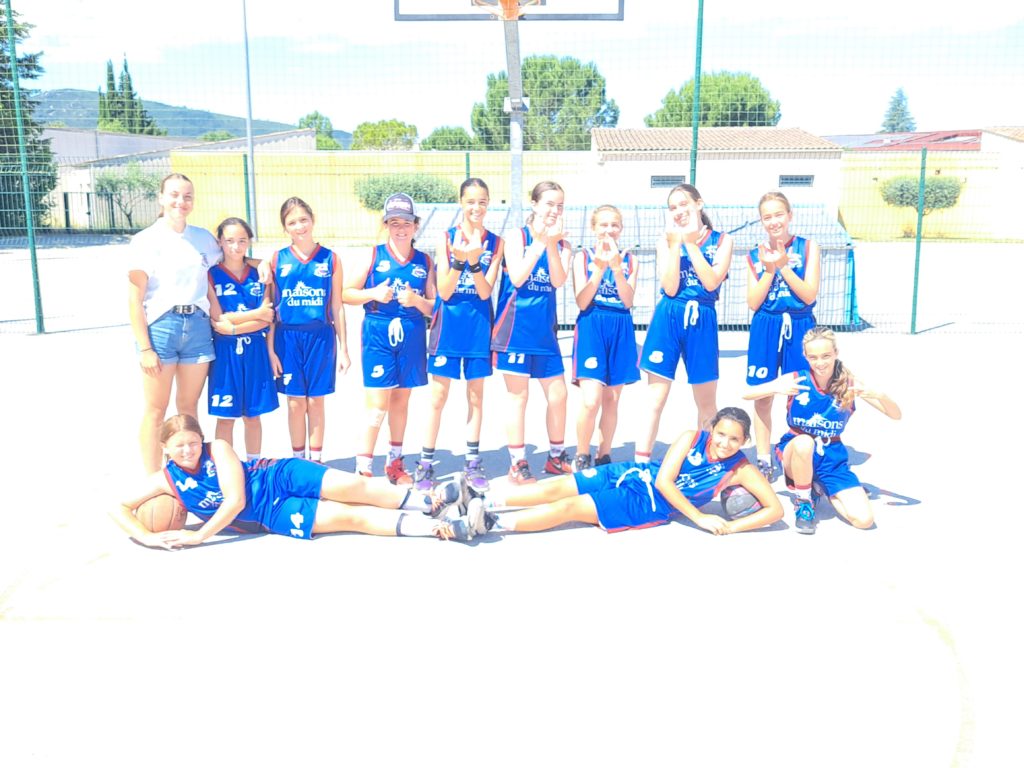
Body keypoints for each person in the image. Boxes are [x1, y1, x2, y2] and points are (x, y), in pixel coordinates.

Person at [112, 415, 466, 549]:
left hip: (276, 475)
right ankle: (437, 527)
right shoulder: (166, 480)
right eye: (179, 446)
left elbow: (235, 501)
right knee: (349, 516)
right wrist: (147, 536)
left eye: (192, 442)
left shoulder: (216, 448)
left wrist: (198, 536)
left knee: (353, 487)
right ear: (165, 448)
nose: (188, 450)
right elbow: (118, 508)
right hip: (271, 513)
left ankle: (432, 501)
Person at [466, 407, 782, 537]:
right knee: (557, 486)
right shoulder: (692, 437)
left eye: (734, 439)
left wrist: (731, 527)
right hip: (635, 473)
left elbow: (775, 510)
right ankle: (483, 499)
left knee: (568, 508)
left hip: (647, 504)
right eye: (721, 434)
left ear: (745, 441)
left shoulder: (741, 469)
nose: (725, 443)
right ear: (712, 429)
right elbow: (664, 479)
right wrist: (698, 516)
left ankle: (490, 523)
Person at [743, 326, 901, 534]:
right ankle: (804, 501)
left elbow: (895, 415)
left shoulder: (850, 384)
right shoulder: (797, 379)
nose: (820, 363)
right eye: (813, 357)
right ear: (805, 356)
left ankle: (819, 487)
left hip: (831, 455)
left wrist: (879, 394)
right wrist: (775, 387)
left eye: (826, 356)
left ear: (836, 353)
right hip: (796, 450)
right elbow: (747, 394)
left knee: (864, 520)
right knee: (805, 442)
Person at [128, 173, 222, 473]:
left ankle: (188, 475)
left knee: (188, 408)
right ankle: (154, 478)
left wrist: (264, 265)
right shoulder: (145, 240)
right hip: (161, 328)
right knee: (156, 410)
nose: (181, 201)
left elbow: (232, 260)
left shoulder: (203, 239)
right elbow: (134, 300)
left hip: (197, 327)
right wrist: (145, 348)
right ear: (161, 198)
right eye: (174, 195)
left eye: (187, 196)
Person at [415, 178, 505, 492]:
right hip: (449, 328)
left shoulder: (496, 243)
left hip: (478, 326)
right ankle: (426, 463)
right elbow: (444, 290)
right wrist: (458, 260)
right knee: (438, 397)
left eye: (482, 201)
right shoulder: (446, 238)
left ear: (488, 203)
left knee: (476, 396)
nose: (476, 208)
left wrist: (475, 262)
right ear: (461, 202)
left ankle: (472, 462)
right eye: (470, 201)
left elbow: (485, 292)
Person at [635, 184, 733, 464]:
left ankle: (707, 461)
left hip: (702, 317)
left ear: (698, 204)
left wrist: (690, 243)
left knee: (706, 401)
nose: (678, 211)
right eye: (672, 207)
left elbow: (711, 282)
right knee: (655, 398)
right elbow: (670, 286)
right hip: (669, 315)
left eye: (683, 204)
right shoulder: (665, 241)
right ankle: (641, 463)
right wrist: (676, 244)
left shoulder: (722, 240)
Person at [343, 193, 435, 485]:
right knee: (377, 404)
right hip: (378, 331)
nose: (400, 228)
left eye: (406, 222)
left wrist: (417, 300)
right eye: (394, 223)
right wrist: (372, 293)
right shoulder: (373, 256)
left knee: (400, 401)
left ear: (415, 225)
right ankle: (363, 467)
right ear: (385, 225)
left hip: (411, 332)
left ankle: (395, 463)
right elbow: (346, 293)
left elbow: (435, 306)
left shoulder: (424, 261)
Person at [491, 181, 573, 485]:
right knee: (518, 396)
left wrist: (551, 244)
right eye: (549, 203)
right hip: (515, 329)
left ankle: (556, 457)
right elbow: (518, 276)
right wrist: (540, 241)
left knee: (559, 395)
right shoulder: (517, 237)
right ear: (535, 204)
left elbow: (558, 280)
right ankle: (518, 463)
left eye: (559, 206)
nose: (554, 210)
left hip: (544, 332)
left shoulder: (563, 245)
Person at [265, 197, 350, 463]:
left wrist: (344, 349)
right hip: (288, 337)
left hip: (320, 337)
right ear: (285, 227)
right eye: (292, 222)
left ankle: (316, 460)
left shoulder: (330, 259)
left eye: (303, 220)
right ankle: (298, 459)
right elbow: (270, 308)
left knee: (315, 401)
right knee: (295, 402)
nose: (299, 226)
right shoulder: (277, 259)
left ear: (313, 220)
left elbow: (337, 305)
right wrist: (270, 350)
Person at [745, 191, 820, 480]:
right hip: (767, 325)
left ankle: (798, 454)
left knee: (801, 394)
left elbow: (809, 295)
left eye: (779, 214)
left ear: (790, 215)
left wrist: (783, 266)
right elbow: (753, 302)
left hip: (800, 324)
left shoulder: (809, 247)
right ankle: (764, 457)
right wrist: (768, 270)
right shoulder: (754, 254)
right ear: (761, 221)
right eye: (767, 217)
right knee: (763, 395)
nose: (774, 221)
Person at [570, 204, 640, 471]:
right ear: (593, 228)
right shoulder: (583, 257)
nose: (609, 230)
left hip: (620, 325)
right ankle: (581, 454)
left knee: (612, 399)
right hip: (592, 323)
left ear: (621, 228)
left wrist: (617, 269)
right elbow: (582, 301)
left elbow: (628, 300)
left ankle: (604, 454)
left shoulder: (630, 260)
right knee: (591, 400)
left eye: (614, 225)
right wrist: (599, 268)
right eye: (603, 225)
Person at [206, 217, 278, 460]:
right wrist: (254, 315)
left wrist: (234, 326)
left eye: (242, 240)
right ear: (219, 242)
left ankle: (253, 464)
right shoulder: (211, 274)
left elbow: (267, 317)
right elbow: (218, 319)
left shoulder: (260, 273)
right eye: (229, 241)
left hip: (255, 350)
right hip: (225, 353)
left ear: (249, 241)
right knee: (225, 417)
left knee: (253, 415)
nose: (235, 247)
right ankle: (224, 464)